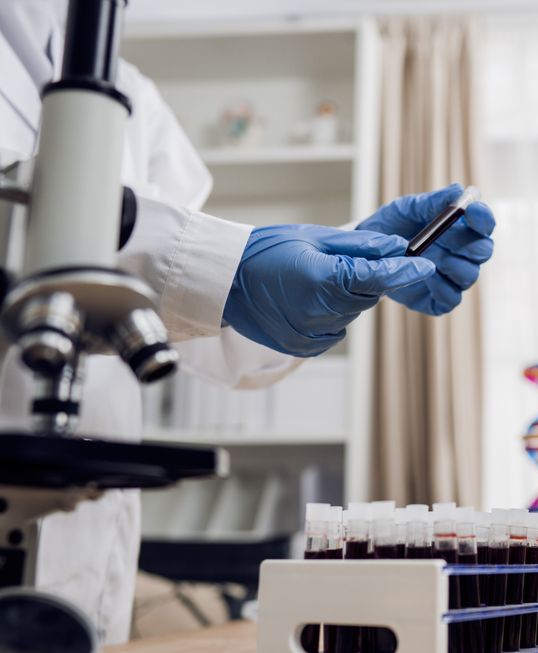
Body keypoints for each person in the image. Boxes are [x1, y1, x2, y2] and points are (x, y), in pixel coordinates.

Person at [0, 1, 494, 643]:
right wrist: (222, 268)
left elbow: (196, 314)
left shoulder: (131, 94)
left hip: (89, 574)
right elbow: (177, 261)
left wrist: (334, 266)